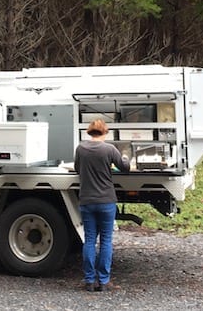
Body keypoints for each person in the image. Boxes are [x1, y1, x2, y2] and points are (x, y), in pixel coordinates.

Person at [74, 118, 130, 292]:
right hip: (106, 201)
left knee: (89, 240)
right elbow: (125, 167)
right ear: (105, 132)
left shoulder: (81, 148)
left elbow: (77, 169)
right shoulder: (109, 149)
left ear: (89, 132)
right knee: (106, 240)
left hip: (87, 201)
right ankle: (104, 281)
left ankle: (89, 280)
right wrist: (126, 157)